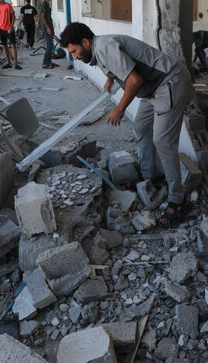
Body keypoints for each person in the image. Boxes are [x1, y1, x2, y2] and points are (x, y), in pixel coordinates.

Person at [59, 22, 195, 226]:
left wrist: (120, 108)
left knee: (163, 141)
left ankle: (178, 199)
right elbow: (121, 64)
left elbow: (134, 80)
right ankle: (150, 177)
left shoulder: (103, 48)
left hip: (169, 82)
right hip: (153, 88)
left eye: (75, 51)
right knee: (141, 126)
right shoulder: (98, 49)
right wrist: (111, 78)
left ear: (85, 42)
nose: (75, 57)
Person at [0, 0, 22, 70]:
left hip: (9, 28)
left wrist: (11, 27)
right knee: (4, 47)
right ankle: (9, 63)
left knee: (13, 46)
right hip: (1, 29)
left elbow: (13, 16)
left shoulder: (7, 6)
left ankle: (16, 64)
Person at [40, 0, 58, 69]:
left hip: (50, 27)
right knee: (50, 46)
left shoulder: (47, 4)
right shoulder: (44, 4)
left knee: (50, 45)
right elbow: (42, 16)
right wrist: (48, 28)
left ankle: (49, 62)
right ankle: (44, 62)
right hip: (47, 28)